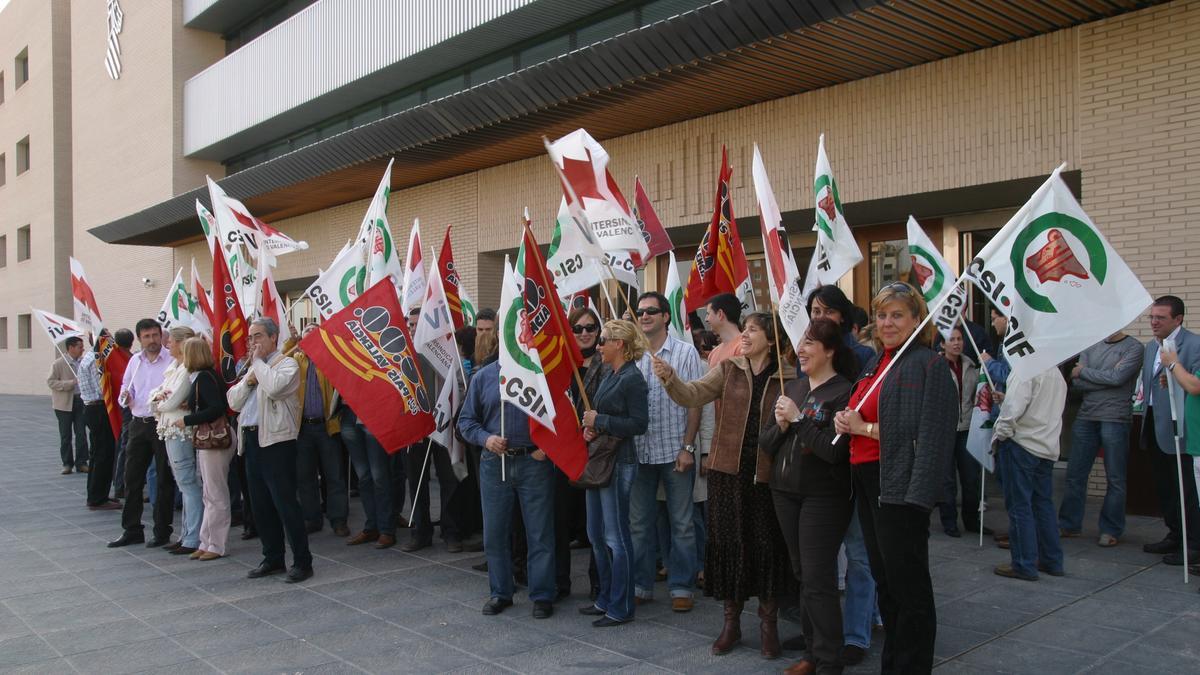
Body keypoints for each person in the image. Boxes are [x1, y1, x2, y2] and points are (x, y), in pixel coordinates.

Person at [653, 312, 798, 660]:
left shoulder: (790, 376)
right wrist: (671, 378)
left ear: (772, 336)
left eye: (752, 330)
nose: (744, 335)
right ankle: (730, 624)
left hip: (768, 475)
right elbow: (692, 395)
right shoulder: (730, 367)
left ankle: (768, 627)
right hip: (727, 472)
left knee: (766, 549)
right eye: (744, 329)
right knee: (731, 545)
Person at [833, 281, 957, 675]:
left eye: (898, 315)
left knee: (909, 586)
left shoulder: (929, 365)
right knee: (886, 583)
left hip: (901, 487)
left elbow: (931, 435)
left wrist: (863, 428)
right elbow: (862, 412)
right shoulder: (878, 362)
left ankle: (913, 666)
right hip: (870, 480)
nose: (887, 322)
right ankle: (894, 664)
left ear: (917, 320)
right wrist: (846, 420)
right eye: (882, 315)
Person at [760, 318, 857, 675]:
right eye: (800, 343)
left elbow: (833, 452)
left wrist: (799, 421)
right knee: (803, 574)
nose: (800, 350)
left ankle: (829, 660)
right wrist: (782, 424)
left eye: (809, 344)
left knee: (819, 578)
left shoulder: (843, 391)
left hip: (823, 496)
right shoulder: (796, 387)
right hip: (784, 492)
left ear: (829, 350)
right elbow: (766, 444)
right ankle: (813, 652)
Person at [804, 283, 878, 665]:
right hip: (823, 476)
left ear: (843, 317)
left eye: (827, 311)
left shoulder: (865, 356)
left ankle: (856, 635)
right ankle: (823, 635)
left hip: (858, 467)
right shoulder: (808, 356)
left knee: (860, 556)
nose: (820, 317)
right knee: (825, 562)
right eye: (814, 311)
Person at [458, 344, 558, 619]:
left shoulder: (541, 374)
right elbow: (465, 422)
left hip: (533, 463)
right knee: (494, 534)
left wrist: (548, 447)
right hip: (495, 463)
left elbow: (560, 417)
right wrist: (486, 439)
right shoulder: (483, 376)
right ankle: (500, 592)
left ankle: (542, 594)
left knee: (539, 533)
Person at [631, 292, 702, 612]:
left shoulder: (686, 353)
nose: (644, 315)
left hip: (676, 451)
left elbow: (695, 403)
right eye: (640, 311)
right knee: (640, 524)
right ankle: (641, 585)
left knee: (682, 524)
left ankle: (682, 586)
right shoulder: (632, 356)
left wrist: (688, 447)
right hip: (640, 453)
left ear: (665, 317)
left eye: (651, 311)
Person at [228, 318, 312, 583]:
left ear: (274, 338)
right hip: (252, 440)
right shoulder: (255, 368)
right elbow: (233, 400)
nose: (253, 342)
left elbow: (276, 387)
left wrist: (258, 366)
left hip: (277, 442)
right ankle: (272, 557)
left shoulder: (286, 363)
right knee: (260, 505)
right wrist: (250, 379)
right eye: (251, 337)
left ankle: (302, 561)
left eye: (258, 336)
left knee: (285, 503)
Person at [579, 319, 650, 626]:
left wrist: (600, 420)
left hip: (620, 463)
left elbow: (638, 424)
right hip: (601, 459)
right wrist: (591, 428)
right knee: (595, 534)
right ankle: (605, 597)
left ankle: (621, 606)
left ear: (619, 344)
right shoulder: (610, 372)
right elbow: (600, 417)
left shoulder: (632, 378)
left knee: (616, 537)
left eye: (604, 339)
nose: (598, 344)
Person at [1057, 330, 1142, 546]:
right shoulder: (1090, 344)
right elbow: (1077, 383)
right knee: (1075, 474)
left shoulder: (1134, 347)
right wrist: (1106, 378)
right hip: (1086, 416)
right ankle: (1069, 525)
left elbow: (1119, 378)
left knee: (1115, 478)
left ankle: (1111, 530)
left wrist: (1085, 372)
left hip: (1116, 417)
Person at [991, 366, 1068, 581]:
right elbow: (1040, 406)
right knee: (1043, 504)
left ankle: (1024, 563)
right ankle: (1051, 560)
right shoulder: (1055, 372)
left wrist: (1001, 435)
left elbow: (1012, 411)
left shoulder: (1025, 369)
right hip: (1046, 447)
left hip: (1022, 445)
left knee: (1019, 506)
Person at [1140, 296, 1200, 565]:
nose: (1154, 322)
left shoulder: (1193, 344)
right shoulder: (1150, 348)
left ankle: (1194, 543)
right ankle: (1174, 533)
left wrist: (1175, 369)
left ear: (1178, 319)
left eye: (1160, 318)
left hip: (1182, 428)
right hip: (1153, 421)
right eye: (1152, 317)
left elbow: (1193, 383)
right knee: (1165, 486)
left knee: (1186, 488)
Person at [109, 320, 176, 548]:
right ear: (139, 339)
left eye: (155, 335)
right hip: (138, 423)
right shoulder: (135, 361)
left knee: (163, 478)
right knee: (132, 478)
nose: (152, 340)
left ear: (161, 336)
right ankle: (132, 529)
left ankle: (162, 530)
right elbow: (125, 389)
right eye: (146, 336)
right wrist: (124, 398)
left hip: (161, 423)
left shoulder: (172, 359)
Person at [291, 324, 350, 537]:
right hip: (303, 428)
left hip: (327, 427)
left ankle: (338, 519)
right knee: (305, 477)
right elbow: (280, 358)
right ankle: (311, 518)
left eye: (314, 337)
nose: (310, 342)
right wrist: (291, 341)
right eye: (307, 338)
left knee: (334, 476)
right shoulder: (297, 361)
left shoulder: (330, 361)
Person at [176, 337, 232, 560]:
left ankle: (216, 544)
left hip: (214, 438)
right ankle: (206, 540)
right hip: (209, 439)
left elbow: (217, 408)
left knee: (216, 494)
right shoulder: (204, 376)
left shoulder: (204, 377)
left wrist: (187, 420)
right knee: (209, 493)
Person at [151, 326, 204, 556]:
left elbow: (169, 401)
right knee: (183, 483)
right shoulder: (173, 368)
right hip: (170, 430)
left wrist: (159, 401)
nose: (167, 344)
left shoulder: (186, 370)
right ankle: (186, 534)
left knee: (188, 483)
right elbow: (154, 395)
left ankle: (193, 537)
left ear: (183, 343)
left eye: (171, 341)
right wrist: (157, 399)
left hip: (179, 431)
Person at [939, 324, 988, 538]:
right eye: (952, 339)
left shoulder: (971, 365)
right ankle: (949, 521)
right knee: (947, 479)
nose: (957, 343)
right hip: (944, 429)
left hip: (967, 427)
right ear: (942, 344)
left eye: (959, 339)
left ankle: (972, 520)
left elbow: (976, 395)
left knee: (971, 477)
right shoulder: (936, 366)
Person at [78, 335, 119, 509]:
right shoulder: (95, 360)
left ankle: (96, 494)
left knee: (97, 454)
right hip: (99, 408)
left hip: (93, 408)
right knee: (103, 453)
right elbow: (101, 389)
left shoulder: (89, 357)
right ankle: (98, 497)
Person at [48, 336, 88, 475]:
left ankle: (82, 462)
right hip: (64, 404)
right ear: (71, 348)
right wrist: (70, 383)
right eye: (79, 347)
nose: (82, 349)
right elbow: (51, 382)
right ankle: (67, 463)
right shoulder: (59, 363)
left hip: (81, 402)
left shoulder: (84, 362)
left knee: (81, 434)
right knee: (65, 435)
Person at [112, 328, 135, 499]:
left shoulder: (128, 358)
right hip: (129, 406)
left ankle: (121, 483)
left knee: (124, 446)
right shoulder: (133, 359)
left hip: (124, 404)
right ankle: (120, 484)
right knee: (126, 446)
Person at [704, 293, 743, 365]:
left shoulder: (744, 347)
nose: (706, 319)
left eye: (708, 314)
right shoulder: (713, 354)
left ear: (720, 314)